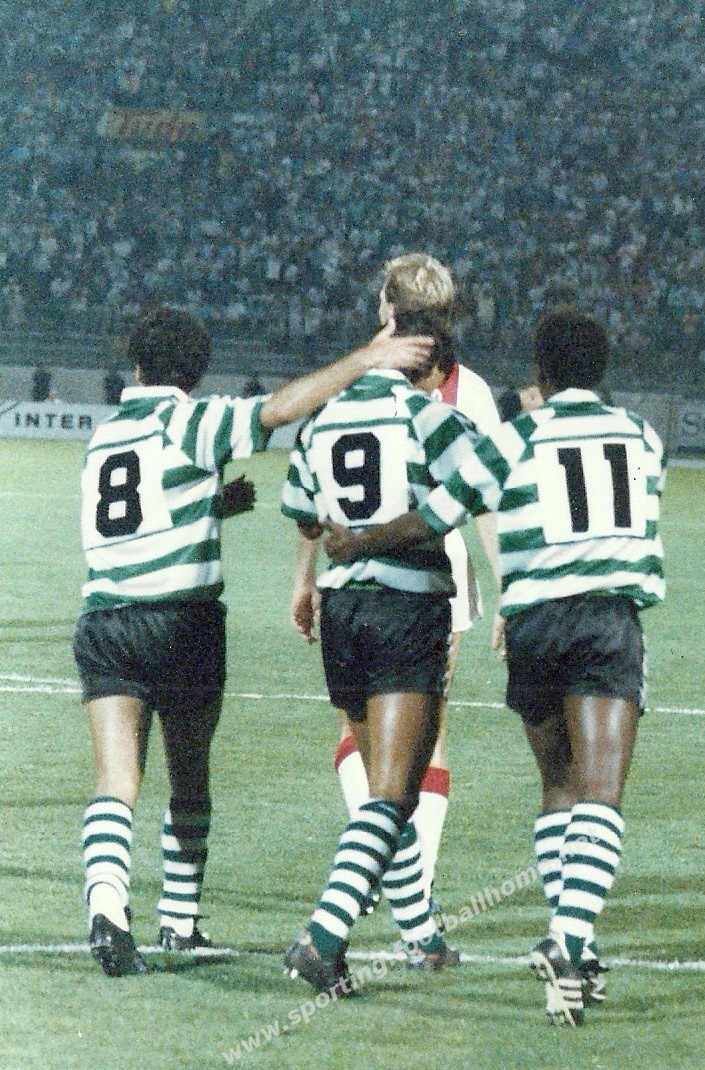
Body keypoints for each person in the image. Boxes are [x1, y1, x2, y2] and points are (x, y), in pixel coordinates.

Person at [323, 308, 666, 1026]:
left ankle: (575, 956)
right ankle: (569, 940)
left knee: (559, 786)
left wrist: (361, 543)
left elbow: (439, 513)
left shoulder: (514, 437)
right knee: (602, 791)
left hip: (536, 623)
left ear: (540, 370)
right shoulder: (641, 435)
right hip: (606, 619)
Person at [73, 304, 433, 978]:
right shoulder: (192, 420)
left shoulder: (105, 434)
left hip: (104, 622)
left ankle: (106, 907)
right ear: (196, 372)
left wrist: (208, 507)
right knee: (188, 775)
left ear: (138, 367)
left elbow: (131, 516)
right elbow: (278, 409)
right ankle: (179, 921)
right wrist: (367, 357)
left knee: (116, 779)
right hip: (179, 621)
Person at [280, 307, 484, 996]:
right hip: (405, 607)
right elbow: (473, 490)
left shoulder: (321, 421)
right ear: (435, 368)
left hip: (342, 613)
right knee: (396, 793)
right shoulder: (429, 417)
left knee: (380, 788)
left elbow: (303, 510)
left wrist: (333, 552)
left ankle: (422, 936)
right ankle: (322, 937)